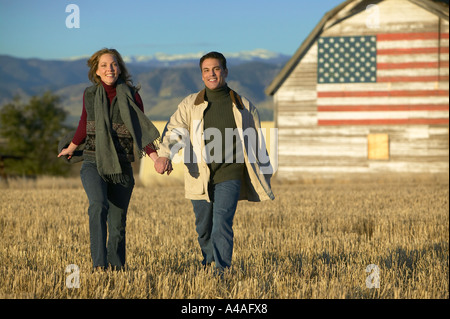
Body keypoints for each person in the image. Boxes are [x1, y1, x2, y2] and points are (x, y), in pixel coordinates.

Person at [155, 51, 274, 275]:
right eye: (206, 70)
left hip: (230, 172)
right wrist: (165, 155)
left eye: (216, 69)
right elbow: (175, 131)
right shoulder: (190, 104)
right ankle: (209, 261)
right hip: (198, 173)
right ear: (201, 75)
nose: (212, 74)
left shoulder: (244, 106)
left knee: (222, 222)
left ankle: (222, 271)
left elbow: (257, 142)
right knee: (204, 227)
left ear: (225, 72)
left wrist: (264, 171)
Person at [58, 48, 162, 271]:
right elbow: (84, 125)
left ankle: (116, 269)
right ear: (96, 71)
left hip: (122, 164)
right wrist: (72, 147)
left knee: (117, 223)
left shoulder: (132, 95)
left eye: (113, 64)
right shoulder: (90, 94)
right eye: (104, 65)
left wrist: (155, 158)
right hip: (93, 161)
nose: (109, 69)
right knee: (98, 205)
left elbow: (140, 129)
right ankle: (99, 265)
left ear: (120, 67)